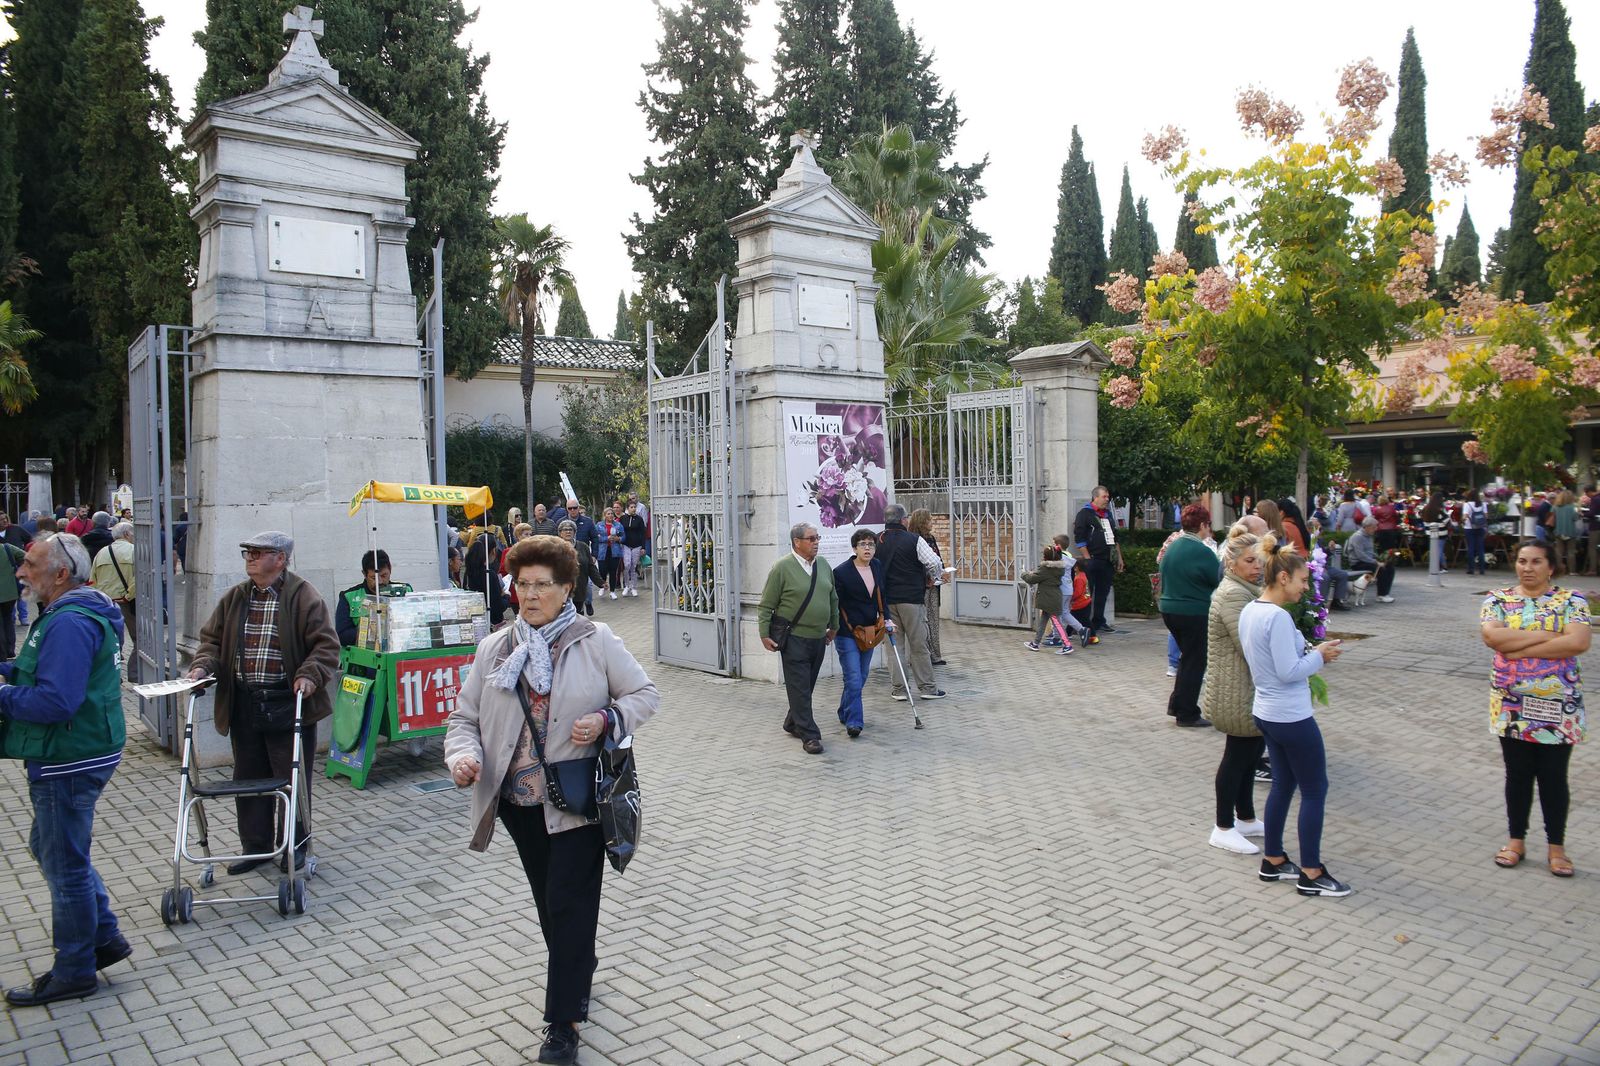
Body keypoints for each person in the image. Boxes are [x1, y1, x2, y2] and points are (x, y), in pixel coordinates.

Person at [443, 535, 658, 1066]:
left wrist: (607, 719)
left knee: (569, 904)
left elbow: (644, 694)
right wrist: (462, 758)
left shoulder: (596, 639)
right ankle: (577, 965)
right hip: (518, 804)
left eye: (543, 585)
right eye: (522, 584)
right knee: (550, 904)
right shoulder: (496, 648)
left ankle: (562, 1025)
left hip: (578, 802)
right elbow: (463, 719)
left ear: (567, 589)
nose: (530, 595)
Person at [0, 534, 132, 1005]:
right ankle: (105, 938)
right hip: (80, 748)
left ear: (60, 574)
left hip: (70, 756)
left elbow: (57, 700)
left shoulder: (70, 621)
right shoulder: (68, 613)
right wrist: (11, 672)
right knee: (53, 849)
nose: (21, 572)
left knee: (66, 864)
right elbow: (47, 674)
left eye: (31, 565)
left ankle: (75, 968)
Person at [187, 532, 341, 875]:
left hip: (288, 703)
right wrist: (202, 666)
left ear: (281, 559)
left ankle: (295, 845)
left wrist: (310, 674)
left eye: (259, 552)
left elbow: (326, 646)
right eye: (248, 552)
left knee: (292, 779)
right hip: (245, 702)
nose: (250, 557)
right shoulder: (236, 597)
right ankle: (255, 848)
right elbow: (211, 640)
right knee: (249, 777)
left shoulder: (303, 596)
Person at [1239, 535, 1349, 897]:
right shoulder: (1278, 618)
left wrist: (1313, 651)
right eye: (1303, 580)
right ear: (1283, 578)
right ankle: (1312, 872)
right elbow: (1288, 671)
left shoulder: (1251, 610)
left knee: (1284, 785)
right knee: (1315, 789)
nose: (1307, 587)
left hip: (1267, 712)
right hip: (1290, 715)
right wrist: (1320, 657)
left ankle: (1273, 860)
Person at [1481, 541, 1589, 878]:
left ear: (1551, 566)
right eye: (1522, 561)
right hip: (1512, 702)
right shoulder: (1497, 599)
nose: (1527, 568)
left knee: (1554, 777)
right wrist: (1548, 634)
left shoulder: (1572, 601)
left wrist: (1519, 643)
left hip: (1558, 704)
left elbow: (1578, 642)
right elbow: (1492, 638)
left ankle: (1557, 847)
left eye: (1536, 562)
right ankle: (1516, 841)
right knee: (1518, 774)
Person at [1203, 526, 1267, 854]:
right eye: (1250, 561)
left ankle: (1245, 817)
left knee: (1250, 755)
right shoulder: (1234, 595)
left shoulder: (1246, 591)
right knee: (1236, 758)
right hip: (1235, 691)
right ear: (1233, 563)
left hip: (1244, 690)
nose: (1258, 566)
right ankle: (1223, 827)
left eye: (1260, 560)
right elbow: (1251, 646)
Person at [758, 523, 840, 754]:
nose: (816, 542)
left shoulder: (823, 565)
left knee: (806, 685)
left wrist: (834, 625)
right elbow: (766, 605)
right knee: (801, 687)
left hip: (818, 638)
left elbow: (832, 596)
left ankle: (792, 721)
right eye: (811, 538)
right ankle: (809, 735)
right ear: (797, 542)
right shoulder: (782, 568)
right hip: (794, 638)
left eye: (817, 538)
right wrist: (764, 633)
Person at [877, 505, 948, 702]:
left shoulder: (877, 540)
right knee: (918, 644)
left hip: (887, 602)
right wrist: (932, 578)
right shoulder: (914, 539)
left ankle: (899, 690)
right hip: (912, 600)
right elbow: (934, 562)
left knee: (894, 647)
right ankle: (927, 688)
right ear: (903, 520)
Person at [1159, 503, 1219, 728]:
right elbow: (1218, 579)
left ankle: (1178, 704)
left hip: (1169, 609)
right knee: (1195, 661)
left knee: (1186, 659)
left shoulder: (1173, 546)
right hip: (1193, 612)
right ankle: (1187, 713)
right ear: (1203, 525)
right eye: (1208, 525)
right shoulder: (1202, 551)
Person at [833, 529, 890, 737]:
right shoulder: (841, 572)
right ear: (854, 548)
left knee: (862, 676)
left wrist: (888, 618)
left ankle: (844, 710)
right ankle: (854, 722)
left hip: (869, 630)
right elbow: (835, 604)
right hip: (847, 632)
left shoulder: (876, 566)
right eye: (863, 544)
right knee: (854, 677)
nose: (868, 548)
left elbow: (882, 595)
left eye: (871, 544)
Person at [1072, 486, 1125, 643]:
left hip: (1107, 560)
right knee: (1088, 593)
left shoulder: (1107, 515)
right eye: (1104, 496)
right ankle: (1083, 624)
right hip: (1092, 559)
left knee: (1103, 592)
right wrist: (1087, 559)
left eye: (1108, 496)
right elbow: (1079, 538)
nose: (1107, 499)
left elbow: (1115, 538)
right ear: (1095, 497)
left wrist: (1119, 558)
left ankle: (1099, 620)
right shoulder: (1085, 514)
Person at [335, 549, 413, 647]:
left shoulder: (405, 590)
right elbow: (342, 636)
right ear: (364, 574)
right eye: (373, 578)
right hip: (363, 656)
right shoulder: (348, 597)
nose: (379, 582)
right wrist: (373, 631)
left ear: (390, 570)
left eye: (384, 575)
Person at [89, 523, 137, 678]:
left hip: (105, 602)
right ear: (127, 534)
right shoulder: (134, 550)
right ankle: (134, 672)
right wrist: (128, 596)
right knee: (139, 638)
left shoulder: (101, 553)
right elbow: (139, 578)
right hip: (127, 602)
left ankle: (111, 674)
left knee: (110, 639)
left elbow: (92, 579)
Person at [908, 508, 949, 665]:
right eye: (929, 519)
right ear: (922, 522)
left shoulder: (930, 538)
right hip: (921, 586)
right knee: (921, 621)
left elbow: (937, 559)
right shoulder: (914, 539)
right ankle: (921, 656)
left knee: (933, 620)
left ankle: (934, 655)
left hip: (934, 586)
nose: (932, 522)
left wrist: (942, 573)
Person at [1021, 544, 1072, 654]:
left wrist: (1024, 573)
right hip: (1052, 597)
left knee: (1057, 623)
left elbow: (1032, 579)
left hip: (1049, 599)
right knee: (1043, 621)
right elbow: (1041, 576)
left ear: (1046, 557)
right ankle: (1035, 643)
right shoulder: (1059, 567)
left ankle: (1067, 645)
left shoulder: (1046, 568)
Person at [1344, 517, 1395, 604]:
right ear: (1367, 527)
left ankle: (1385, 593)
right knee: (1381, 569)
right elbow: (1360, 555)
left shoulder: (1369, 536)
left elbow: (1370, 552)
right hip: (1358, 563)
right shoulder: (1357, 537)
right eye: (1374, 527)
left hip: (1367, 561)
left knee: (1390, 567)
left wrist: (1380, 558)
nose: (1376, 529)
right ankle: (1381, 595)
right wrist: (1376, 562)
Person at [556, 520, 602, 616]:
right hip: (561, 588)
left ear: (575, 532)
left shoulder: (583, 546)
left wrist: (600, 582)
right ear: (560, 533)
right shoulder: (555, 548)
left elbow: (590, 567)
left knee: (579, 615)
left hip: (579, 587)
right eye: (565, 530)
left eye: (570, 529)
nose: (568, 532)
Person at [1, 534, 23, 661]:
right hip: (10, 593)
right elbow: (27, 557)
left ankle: (2, 655)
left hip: (8, 594)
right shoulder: (7, 548)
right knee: (8, 620)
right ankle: (10, 650)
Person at [619, 501, 647, 598]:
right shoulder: (623, 518)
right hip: (626, 545)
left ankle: (634, 587)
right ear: (627, 508)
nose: (633, 508)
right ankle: (627, 585)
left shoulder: (639, 519)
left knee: (633, 566)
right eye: (631, 507)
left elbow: (643, 534)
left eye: (634, 507)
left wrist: (643, 547)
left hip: (637, 546)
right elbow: (620, 531)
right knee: (627, 565)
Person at [597, 506, 624, 599]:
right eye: (608, 514)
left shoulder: (618, 525)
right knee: (602, 570)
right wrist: (606, 538)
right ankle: (603, 586)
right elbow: (596, 538)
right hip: (602, 551)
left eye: (612, 513)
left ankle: (612, 591)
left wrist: (618, 538)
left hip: (615, 551)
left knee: (613, 571)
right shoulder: (599, 525)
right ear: (605, 515)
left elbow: (624, 536)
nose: (611, 515)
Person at [1553, 490, 1581, 579]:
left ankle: (1557, 570)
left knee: (1559, 552)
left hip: (1558, 531)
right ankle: (1572, 571)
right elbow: (1576, 518)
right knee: (1571, 552)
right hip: (1570, 531)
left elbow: (1552, 517)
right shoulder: (1573, 507)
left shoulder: (1555, 507)